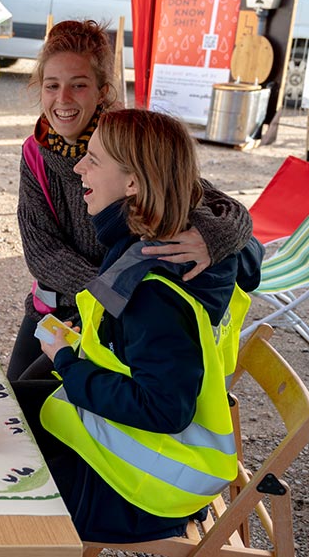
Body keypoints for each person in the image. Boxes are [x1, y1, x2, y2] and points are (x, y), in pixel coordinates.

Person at [16, 108, 261, 543]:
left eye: (93, 159)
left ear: (133, 183)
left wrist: (70, 363)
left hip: (141, 490)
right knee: (9, 404)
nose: (78, 167)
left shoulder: (153, 284)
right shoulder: (183, 241)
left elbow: (164, 408)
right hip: (149, 458)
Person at [9, 20, 253, 381]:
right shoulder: (35, 151)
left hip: (125, 315)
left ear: (102, 91)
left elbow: (224, 207)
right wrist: (111, 291)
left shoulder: (129, 139)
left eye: (79, 85)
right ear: (39, 89)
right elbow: (43, 252)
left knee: (37, 406)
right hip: (75, 304)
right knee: (13, 393)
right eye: (52, 86)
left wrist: (212, 236)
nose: (63, 99)